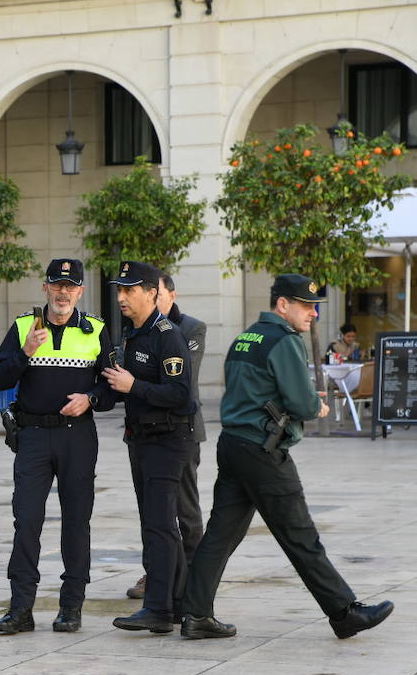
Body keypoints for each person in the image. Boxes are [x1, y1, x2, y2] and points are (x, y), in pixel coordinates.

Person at [178, 274, 394, 640]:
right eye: (306, 306)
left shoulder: (245, 338)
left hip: (233, 444)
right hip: (264, 451)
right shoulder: (284, 340)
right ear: (283, 305)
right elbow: (301, 403)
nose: (313, 314)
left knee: (220, 535)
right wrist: (315, 406)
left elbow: (250, 390)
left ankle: (196, 614)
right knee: (300, 535)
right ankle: (344, 612)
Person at [0, 259, 114, 634]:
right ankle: (20, 609)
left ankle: (71, 607)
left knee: (76, 522)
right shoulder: (24, 327)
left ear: (81, 291)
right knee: (27, 520)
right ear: (45, 287)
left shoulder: (96, 330)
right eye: (57, 285)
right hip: (32, 436)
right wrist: (25, 352)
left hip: (77, 437)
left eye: (70, 286)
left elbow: (112, 388)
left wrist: (91, 398)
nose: (63, 292)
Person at [104, 261, 197, 635]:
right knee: (158, 524)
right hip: (141, 439)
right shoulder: (132, 334)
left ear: (152, 294)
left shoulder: (167, 335)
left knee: (160, 526)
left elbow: (181, 395)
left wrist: (134, 387)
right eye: (119, 290)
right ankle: (180, 605)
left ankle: (157, 608)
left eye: (129, 290)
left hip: (167, 440)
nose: (121, 297)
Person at [126, 273, 206, 601]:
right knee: (151, 510)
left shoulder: (188, 329)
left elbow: (179, 382)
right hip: (142, 432)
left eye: (157, 293)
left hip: (179, 431)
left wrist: (134, 384)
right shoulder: (134, 330)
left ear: (170, 295)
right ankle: (156, 573)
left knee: (184, 509)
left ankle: (193, 578)